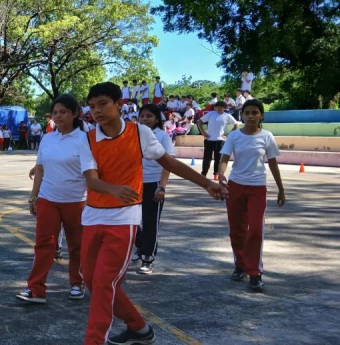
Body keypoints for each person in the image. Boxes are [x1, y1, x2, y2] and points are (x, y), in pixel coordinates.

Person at [76, 82, 226, 345]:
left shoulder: (140, 133)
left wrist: (207, 183)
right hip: (92, 216)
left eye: (103, 104)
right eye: (92, 107)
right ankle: (139, 328)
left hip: (123, 219)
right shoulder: (87, 138)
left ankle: (94, 340)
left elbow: (168, 162)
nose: (96, 111)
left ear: (119, 104)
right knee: (92, 281)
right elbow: (91, 180)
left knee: (103, 283)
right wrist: (113, 189)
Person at [17, 94, 89, 305]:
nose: (58, 116)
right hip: (48, 199)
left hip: (77, 200)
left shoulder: (85, 139)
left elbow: (91, 172)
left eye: (63, 112)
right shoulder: (48, 138)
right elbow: (40, 169)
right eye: (55, 112)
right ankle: (36, 289)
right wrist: (33, 196)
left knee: (77, 246)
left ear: (74, 114)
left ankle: (77, 284)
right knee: (43, 245)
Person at [218, 99, 285, 291]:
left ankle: (255, 272)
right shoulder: (234, 136)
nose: (250, 116)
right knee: (236, 229)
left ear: (261, 115)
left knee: (255, 230)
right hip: (235, 186)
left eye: (255, 112)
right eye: (247, 113)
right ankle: (240, 265)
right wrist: (221, 175)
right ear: (242, 115)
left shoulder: (267, 136)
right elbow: (224, 158)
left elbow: (272, 164)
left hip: (257, 188)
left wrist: (281, 189)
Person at [134, 105, 175, 275]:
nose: (144, 119)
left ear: (157, 119)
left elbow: (168, 164)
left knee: (150, 223)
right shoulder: (134, 134)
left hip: (154, 183)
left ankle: (148, 258)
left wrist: (162, 187)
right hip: (134, 184)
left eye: (149, 116)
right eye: (142, 116)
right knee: (131, 220)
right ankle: (140, 245)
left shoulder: (162, 136)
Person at [197, 101, 239, 179]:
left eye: (222, 107)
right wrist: (203, 132)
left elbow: (236, 124)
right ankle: (203, 174)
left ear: (224, 108)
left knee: (218, 159)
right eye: (218, 106)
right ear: (215, 107)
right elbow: (200, 121)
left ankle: (216, 174)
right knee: (207, 158)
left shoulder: (227, 116)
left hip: (220, 140)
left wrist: (228, 134)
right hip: (209, 139)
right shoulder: (211, 114)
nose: (220, 108)